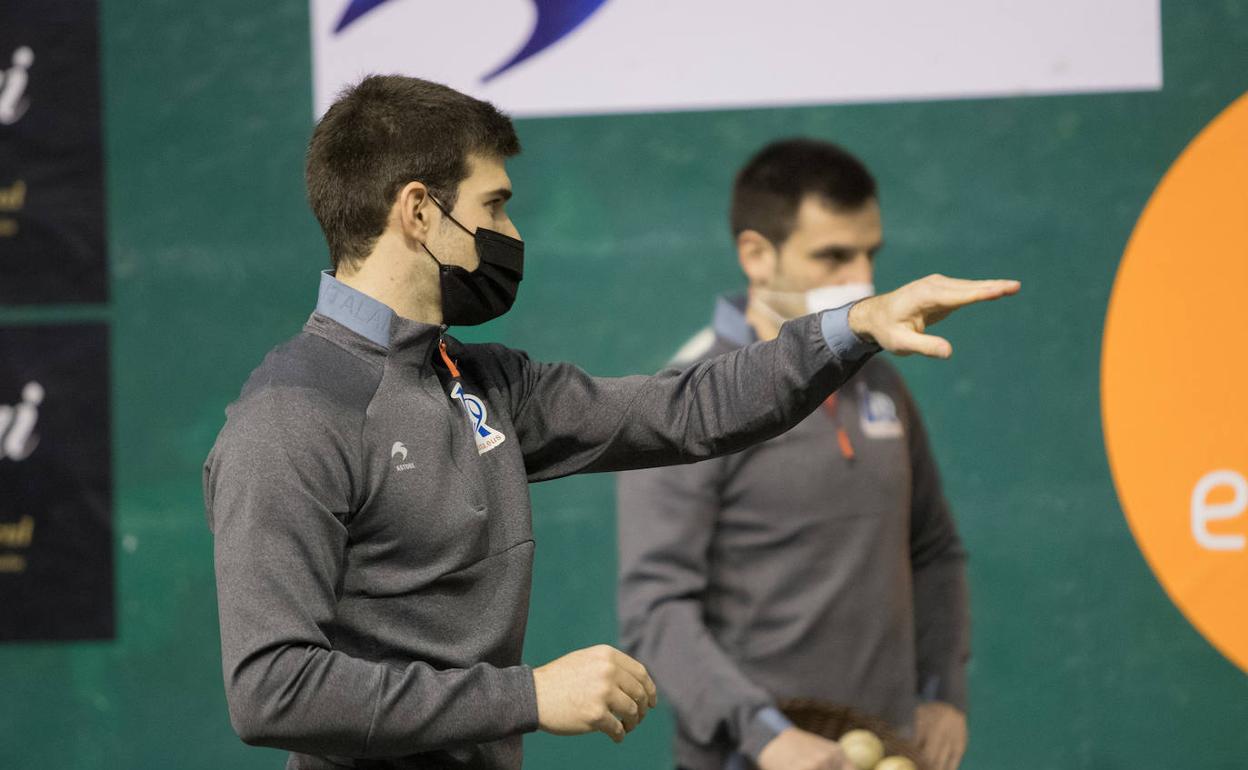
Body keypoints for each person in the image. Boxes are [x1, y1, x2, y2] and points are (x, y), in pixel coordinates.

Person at [203, 77, 1016, 770]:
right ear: (418, 211)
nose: (512, 237)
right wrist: (530, 694)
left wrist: (857, 324)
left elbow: (687, 408)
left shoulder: (484, 379)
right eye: (495, 206)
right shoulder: (290, 414)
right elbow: (272, 688)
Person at [616, 138, 972, 770]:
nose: (860, 279)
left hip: (886, 750)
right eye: (833, 256)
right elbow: (656, 611)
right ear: (756, 255)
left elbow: (934, 550)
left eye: (869, 254)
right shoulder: (684, 401)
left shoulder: (883, 383)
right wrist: (766, 734)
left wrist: (942, 694)